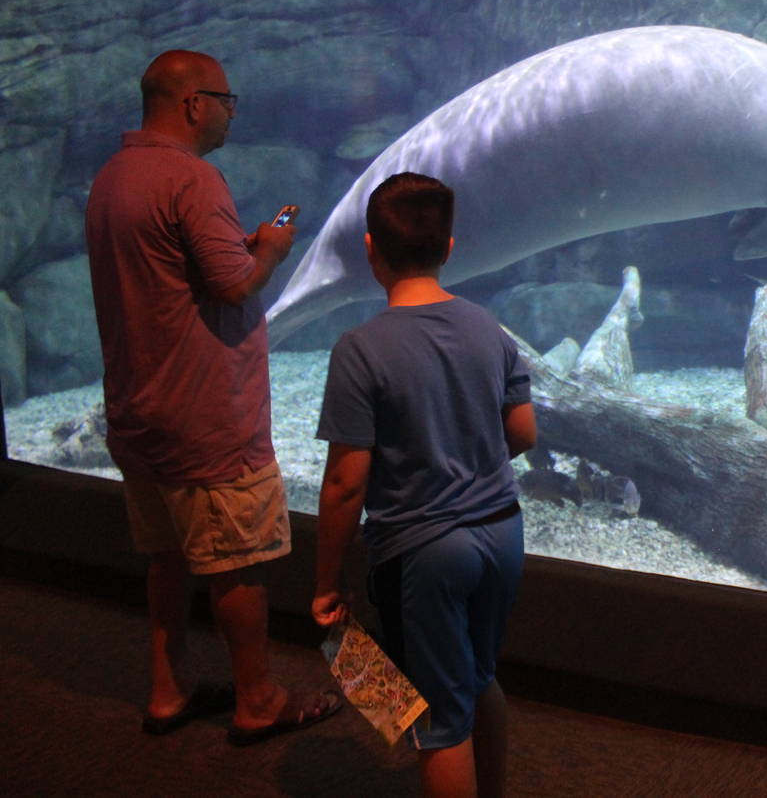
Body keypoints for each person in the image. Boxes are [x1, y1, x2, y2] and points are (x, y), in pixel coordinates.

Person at [84, 49, 342, 743]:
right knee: (236, 562)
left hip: (139, 413)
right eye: (228, 99)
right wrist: (274, 246)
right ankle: (258, 699)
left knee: (167, 558)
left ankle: (168, 690)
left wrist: (240, 249)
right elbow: (232, 282)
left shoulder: (112, 177)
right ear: (194, 103)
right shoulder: (191, 179)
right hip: (204, 418)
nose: (232, 112)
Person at [312, 172, 537, 798]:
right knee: (477, 677)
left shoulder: (360, 349)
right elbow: (523, 432)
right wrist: (467, 458)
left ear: (369, 249)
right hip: (501, 535)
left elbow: (344, 485)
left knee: (437, 721)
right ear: (450, 246)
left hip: (424, 552)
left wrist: (327, 581)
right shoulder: (489, 328)